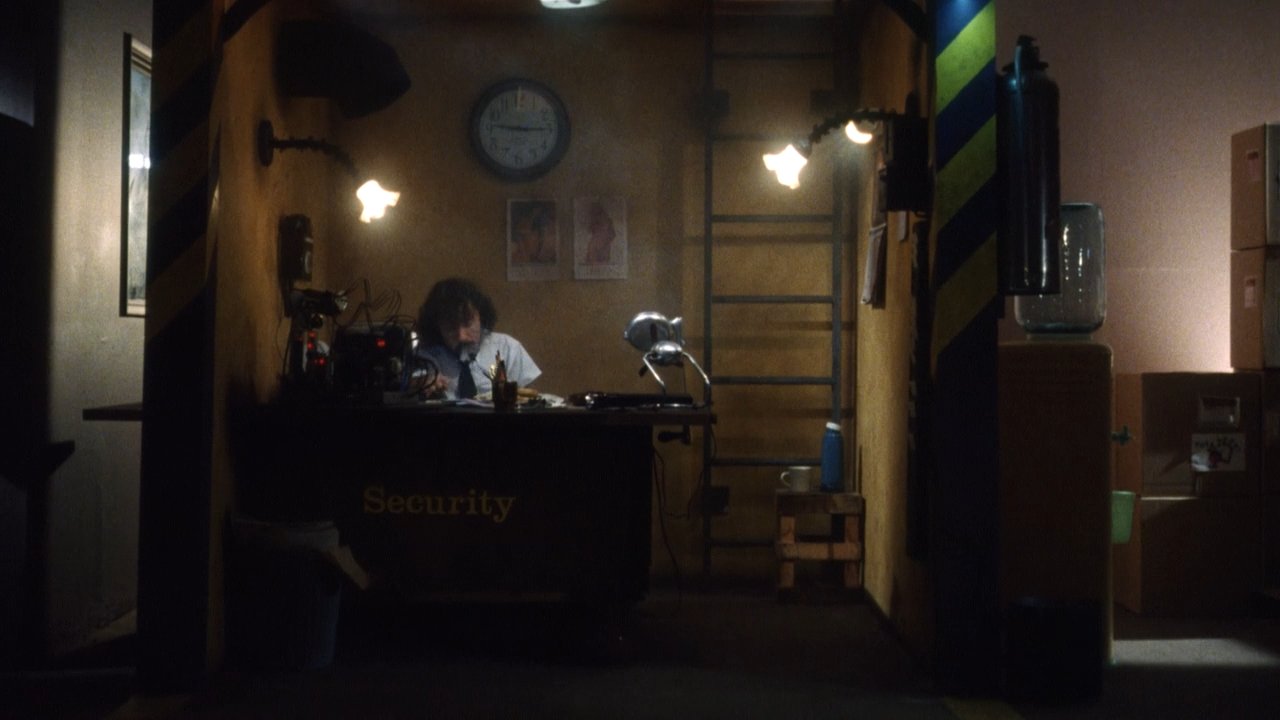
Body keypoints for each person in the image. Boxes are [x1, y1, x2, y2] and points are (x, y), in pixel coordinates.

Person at [415, 277, 540, 399]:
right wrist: (423, 385)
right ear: (437, 326)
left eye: (467, 323)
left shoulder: (507, 348)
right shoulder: (426, 356)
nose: (461, 336)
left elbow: (530, 398)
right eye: (451, 328)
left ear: (481, 317)